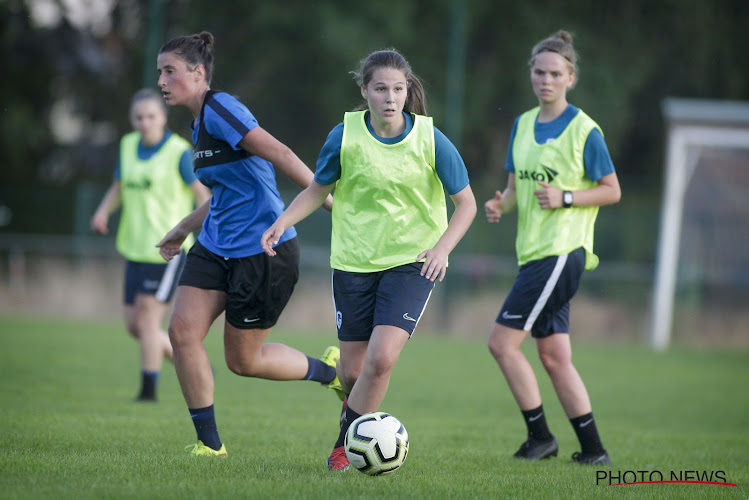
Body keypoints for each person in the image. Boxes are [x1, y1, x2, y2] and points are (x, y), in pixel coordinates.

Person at [261, 49, 477, 471]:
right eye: (380, 88)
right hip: (354, 262)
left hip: (413, 262)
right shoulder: (343, 136)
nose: (390, 97)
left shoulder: (431, 139)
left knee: (381, 361)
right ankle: (351, 401)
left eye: (398, 89)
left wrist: (442, 248)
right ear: (364, 91)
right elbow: (317, 190)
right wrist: (281, 222)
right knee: (355, 372)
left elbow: (466, 204)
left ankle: (344, 447)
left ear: (407, 90)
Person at [154, 31, 342, 457]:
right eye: (159, 73)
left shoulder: (221, 107)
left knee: (244, 362)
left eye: (171, 71)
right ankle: (209, 446)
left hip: (262, 251)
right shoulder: (198, 122)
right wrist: (184, 227)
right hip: (215, 246)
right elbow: (223, 193)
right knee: (182, 332)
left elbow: (280, 153)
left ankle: (329, 372)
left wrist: (328, 202)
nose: (162, 81)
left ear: (198, 73)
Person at [484, 30, 621, 465]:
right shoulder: (523, 125)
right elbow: (514, 191)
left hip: (561, 252)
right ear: (531, 74)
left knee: (502, 344)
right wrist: (498, 206)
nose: (546, 80)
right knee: (555, 355)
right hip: (535, 253)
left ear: (571, 77)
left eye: (555, 73)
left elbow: (612, 190)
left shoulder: (585, 130)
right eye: (539, 72)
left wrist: (566, 197)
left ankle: (540, 437)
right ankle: (594, 450)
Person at [91, 88, 211, 402]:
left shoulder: (178, 151)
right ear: (133, 120)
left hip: (167, 250)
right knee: (134, 325)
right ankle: (193, 363)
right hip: (134, 247)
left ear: (163, 118)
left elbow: (203, 197)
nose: (145, 123)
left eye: (151, 116)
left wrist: (205, 225)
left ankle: (148, 392)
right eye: (139, 117)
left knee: (147, 318)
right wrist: (103, 211)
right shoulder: (128, 146)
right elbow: (118, 186)